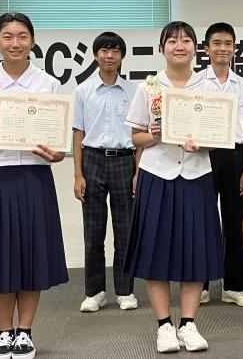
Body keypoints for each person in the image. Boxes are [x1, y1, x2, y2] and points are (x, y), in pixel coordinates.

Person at [0, 12, 68, 359]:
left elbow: (58, 147)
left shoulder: (48, 84)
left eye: (22, 36)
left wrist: (55, 155)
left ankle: (25, 332)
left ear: (33, 41)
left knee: (31, 254)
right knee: (0, 257)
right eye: (7, 36)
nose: (15, 43)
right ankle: (3, 332)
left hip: (34, 176)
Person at [123, 21, 223, 353]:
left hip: (197, 175)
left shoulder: (210, 88)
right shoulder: (149, 87)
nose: (180, 46)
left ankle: (189, 324)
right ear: (162, 47)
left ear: (197, 48)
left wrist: (204, 143)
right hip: (157, 175)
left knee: (195, 251)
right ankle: (164, 325)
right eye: (172, 41)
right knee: (156, 252)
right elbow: (135, 136)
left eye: (186, 41)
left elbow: (221, 139)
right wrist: (154, 135)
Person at [73, 32, 142, 313]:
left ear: (122, 56)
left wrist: (139, 171)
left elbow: (139, 133)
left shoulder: (135, 91)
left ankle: (125, 290)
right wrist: (78, 174)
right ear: (95, 55)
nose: (109, 56)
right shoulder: (83, 91)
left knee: (125, 231)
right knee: (94, 231)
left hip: (126, 161)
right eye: (104, 50)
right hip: (92, 160)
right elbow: (78, 134)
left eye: (115, 51)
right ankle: (95, 291)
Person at [198, 22, 243, 307]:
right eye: (217, 43)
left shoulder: (242, 85)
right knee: (203, 222)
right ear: (206, 48)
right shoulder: (196, 83)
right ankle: (201, 284)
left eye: (228, 43)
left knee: (234, 223)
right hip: (204, 155)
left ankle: (234, 286)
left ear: (235, 49)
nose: (222, 48)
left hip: (234, 157)